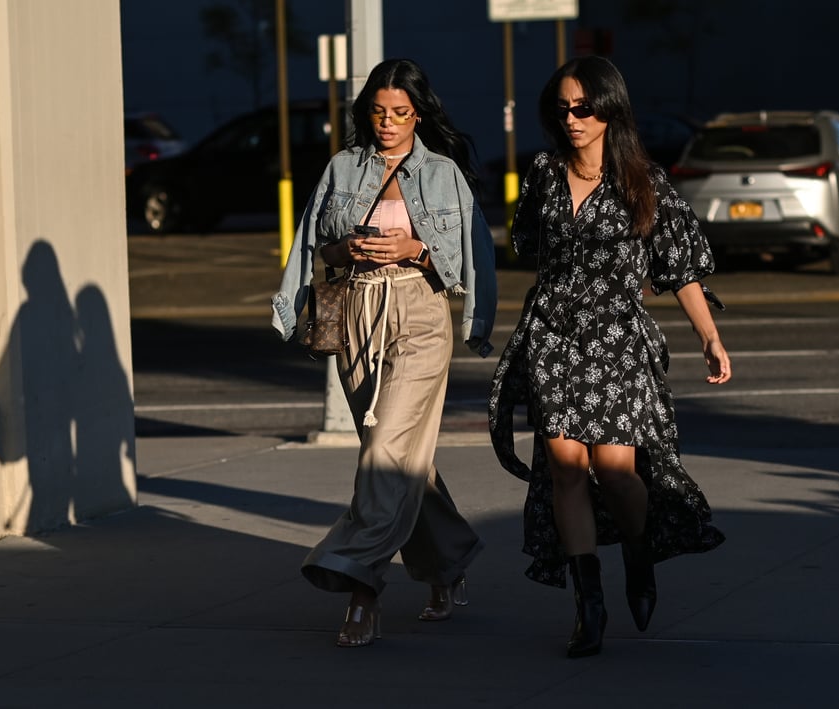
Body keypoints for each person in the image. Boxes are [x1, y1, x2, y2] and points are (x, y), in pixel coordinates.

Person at [488, 56, 730, 658]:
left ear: (610, 109)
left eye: (584, 107)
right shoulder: (542, 172)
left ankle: (639, 551)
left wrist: (708, 336)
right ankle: (588, 604)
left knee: (618, 472)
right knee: (566, 466)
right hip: (553, 334)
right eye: (563, 108)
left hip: (616, 336)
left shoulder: (642, 178)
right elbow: (525, 242)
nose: (572, 118)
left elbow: (681, 267)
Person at [272, 58, 497, 648]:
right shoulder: (342, 168)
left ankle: (357, 583)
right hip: (357, 314)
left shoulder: (444, 173)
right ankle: (448, 566)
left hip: (420, 314)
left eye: (400, 113)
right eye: (378, 112)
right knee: (401, 459)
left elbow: (474, 254)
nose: (388, 123)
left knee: (384, 451)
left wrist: (417, 247)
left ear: (418, 113)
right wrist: (344, 248)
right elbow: (313, 240)